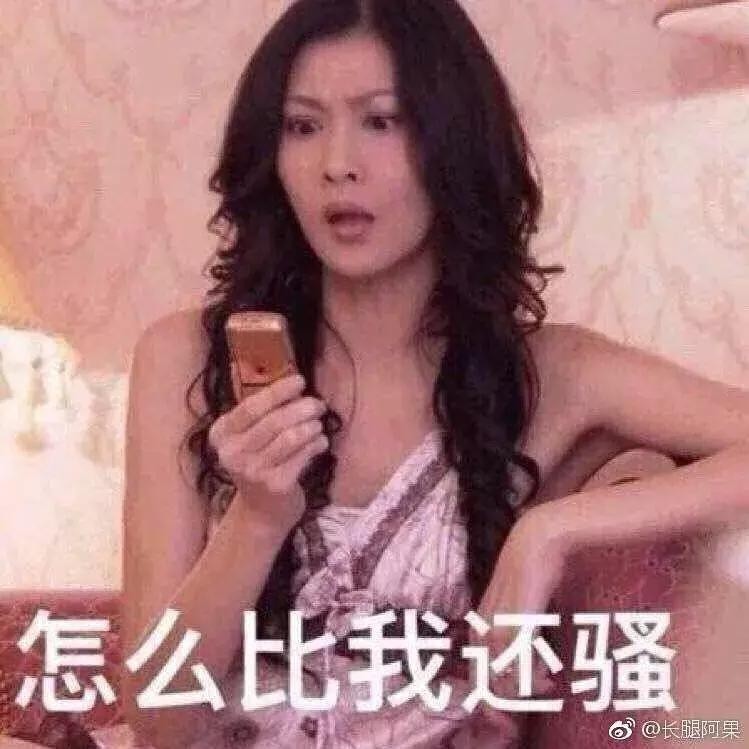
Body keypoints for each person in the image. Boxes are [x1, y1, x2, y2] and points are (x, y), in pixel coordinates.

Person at [115, 1, 749, 747]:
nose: (337, 163)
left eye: (381, 120)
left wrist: (548, 530)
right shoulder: (184, 358)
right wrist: (256, 518)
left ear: (453, 142)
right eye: (302, 126)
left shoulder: (554, 373)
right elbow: (156, 722)